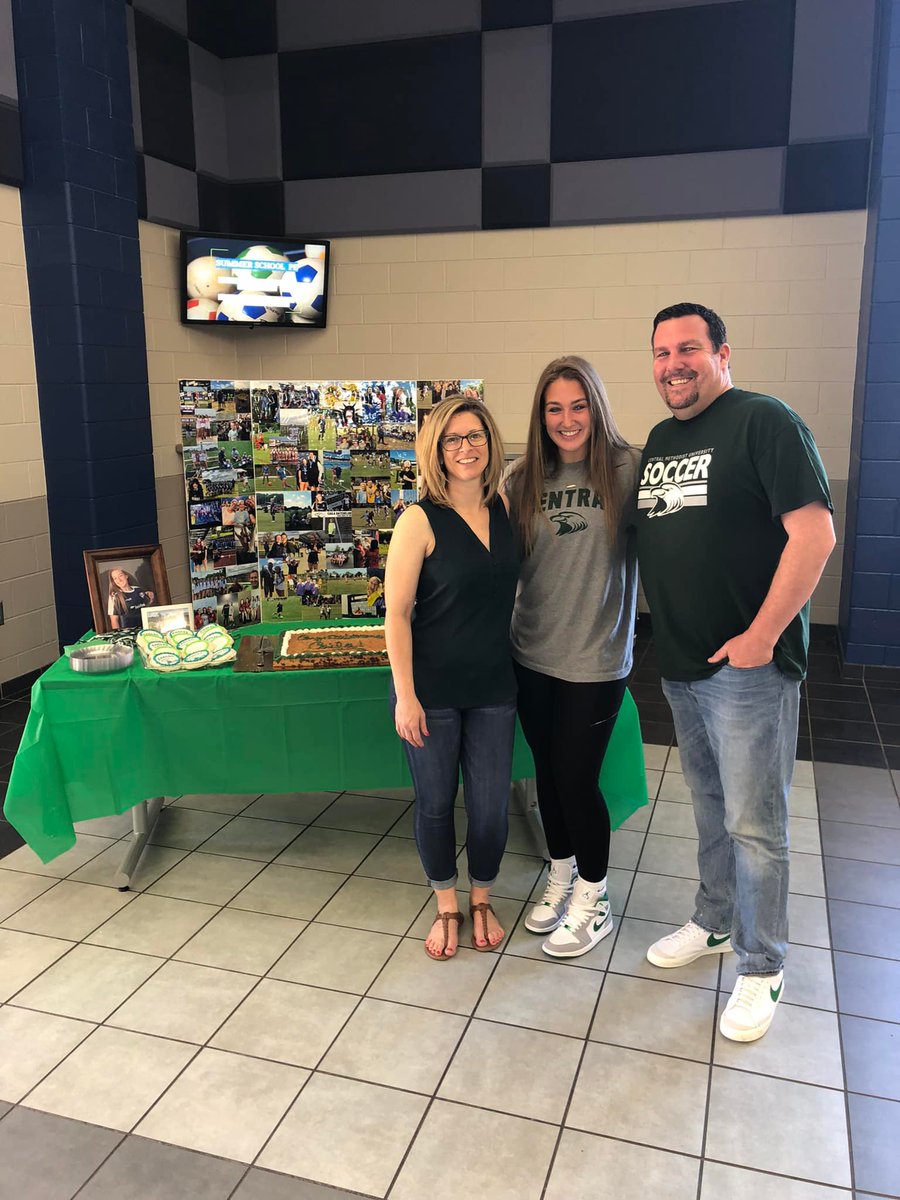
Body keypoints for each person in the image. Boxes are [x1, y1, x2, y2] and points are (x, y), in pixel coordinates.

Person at [636, 302, 835, 1042]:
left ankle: (762, 965)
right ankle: (714, 921)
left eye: (688, 348)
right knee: (713, 809)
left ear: (724, 354)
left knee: (758, 825)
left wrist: (762, 634)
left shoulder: (764, 421)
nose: (673, 364)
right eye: (660, 352)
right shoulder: (660, 439)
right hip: (684, 666)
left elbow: (814, 534)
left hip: (747, 671)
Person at [505, 356, 639, 959]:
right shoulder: (520, 479)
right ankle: (560, 873)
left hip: (596, 657)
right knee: (546, 774)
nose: (567, 419)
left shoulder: (628, 470)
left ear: (597, 407)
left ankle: (595, 895)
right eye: (554, 408)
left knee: (575, 777)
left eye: (578, 406)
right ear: (541, 415)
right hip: (530, 651)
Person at [385, 396, 519, 960]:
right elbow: (395, 613)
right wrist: (406, 697)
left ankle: (482, 897)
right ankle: (446, 903)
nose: (466, 448)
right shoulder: (418, 520)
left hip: (495, 687)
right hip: (432, 691)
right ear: (436, 450)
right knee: (436, 803)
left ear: (490, 441)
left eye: (475, 436)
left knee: (490, 806)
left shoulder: (508, 506)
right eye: (453, 439)